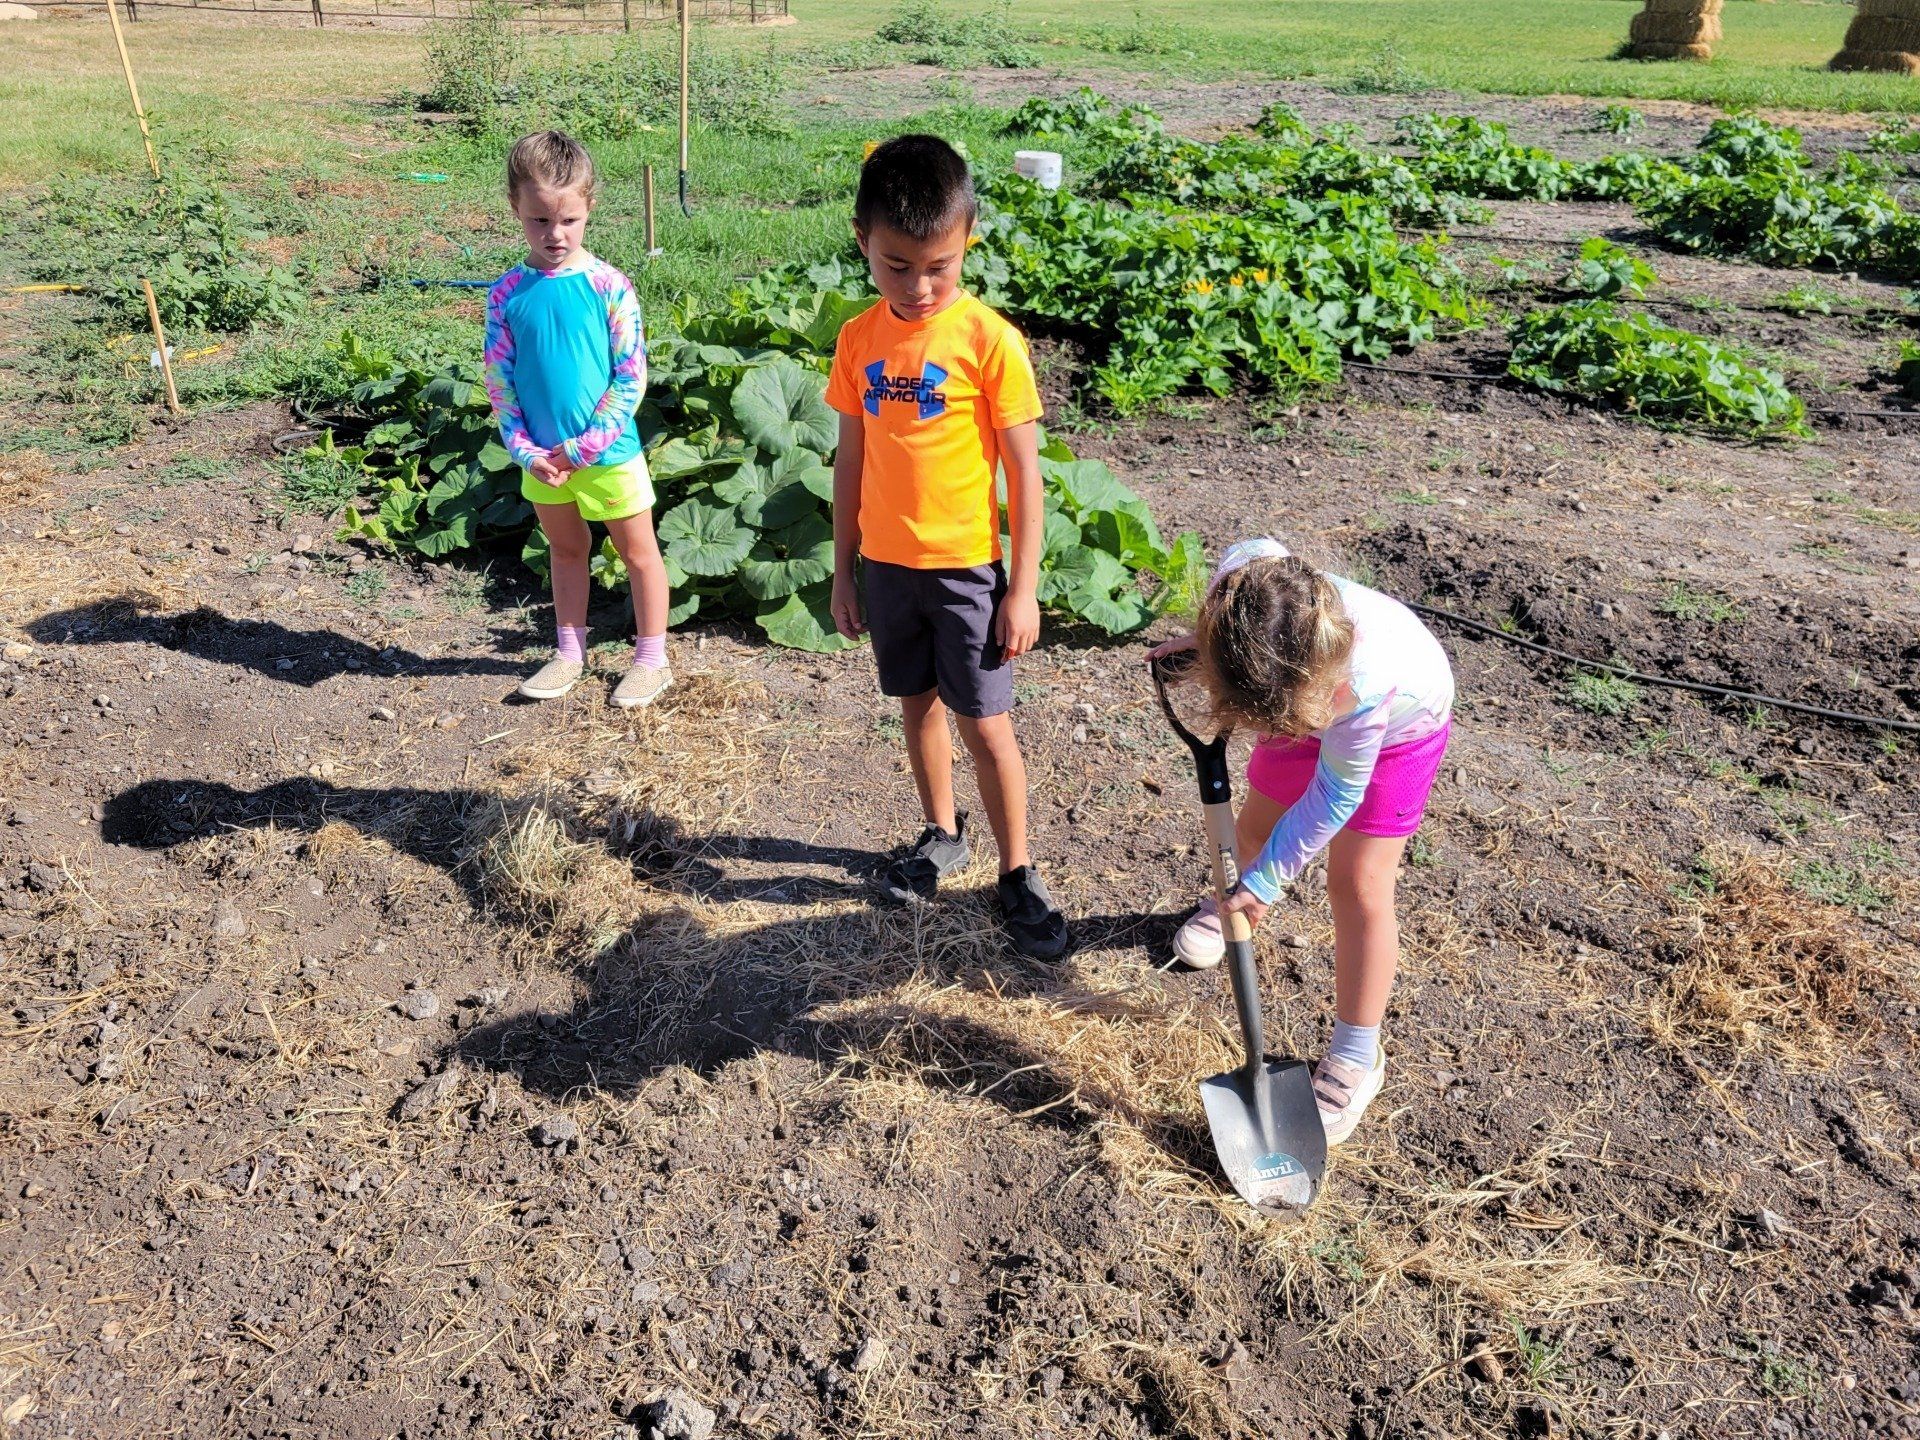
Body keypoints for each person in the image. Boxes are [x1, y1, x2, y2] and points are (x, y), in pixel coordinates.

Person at [825, 134, 1067, 960]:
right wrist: (843, 570)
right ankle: (941, 833)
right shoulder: (857, 339)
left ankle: (1018, 870)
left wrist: (1021, 588)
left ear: (968, 241)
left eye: (940, 266)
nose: (920, 287)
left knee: (986, 724)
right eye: (896, 266)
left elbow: (1025, 474)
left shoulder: (989, 341)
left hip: (967, 572)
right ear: (862, 240)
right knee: (917, 704)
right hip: (888, 566)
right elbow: (851, 459)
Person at [1150, 538, 1454, 1143]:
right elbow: (1258, 547)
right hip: (1301, 691)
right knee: (1256, 824)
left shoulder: (1363, 685)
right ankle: (1229, 906)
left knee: (1359, 885)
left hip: (1399, 726)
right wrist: (1208, 647)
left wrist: (1268, 879)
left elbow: (1334, 796)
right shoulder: (1245, 583)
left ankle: (1357, 1053)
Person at [483, 130, 671, 709]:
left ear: (590, 207)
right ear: (515, 208)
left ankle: (651, 660)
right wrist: (525, 450)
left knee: (638, 553)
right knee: (565, 551)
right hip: (542, 459)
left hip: (608, 455)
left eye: (568, 220)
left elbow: (630, 377)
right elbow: (500, 382)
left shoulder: (609, 286)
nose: (555, 234)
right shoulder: (506, 294)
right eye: (539, 220)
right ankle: (569, 652)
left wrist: (583, 447)